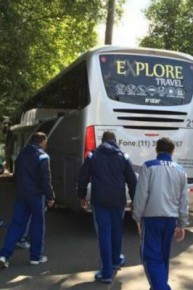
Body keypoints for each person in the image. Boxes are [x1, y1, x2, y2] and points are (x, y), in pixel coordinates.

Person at [78, 131, 137, 283]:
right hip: (118, 200)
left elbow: (83, 177)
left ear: (102, 140)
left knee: (104, 233)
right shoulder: (124, 157)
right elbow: (132, 181)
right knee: (117, 230)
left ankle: (106, 273)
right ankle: (116, 260)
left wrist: (82, 195)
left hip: (100, 201)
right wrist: (135, 200)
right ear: (115, 141)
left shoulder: (93, 156)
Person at [132, 137, 189, 290]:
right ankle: (159, 286)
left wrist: (137, 217)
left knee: (151, 258)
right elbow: (183, 200)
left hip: (151, 219)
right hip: (171, 220)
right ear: (173, 151)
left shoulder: (148, 166)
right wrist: (182, 224)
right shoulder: (180, 170)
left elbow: (141, 195)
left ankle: (161, 288)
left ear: (157, 150)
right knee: (163, 257)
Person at [0, 132, 55, 268]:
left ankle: (4, 255)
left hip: (21, 195)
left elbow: (16, 175)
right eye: (45, 142)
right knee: (38, 225)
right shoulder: (43, 156)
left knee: (16, 224)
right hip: (37, 196)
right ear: (42, 141)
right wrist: (50, 196)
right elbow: (45, 179)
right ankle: (36, 257)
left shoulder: (21, 154)